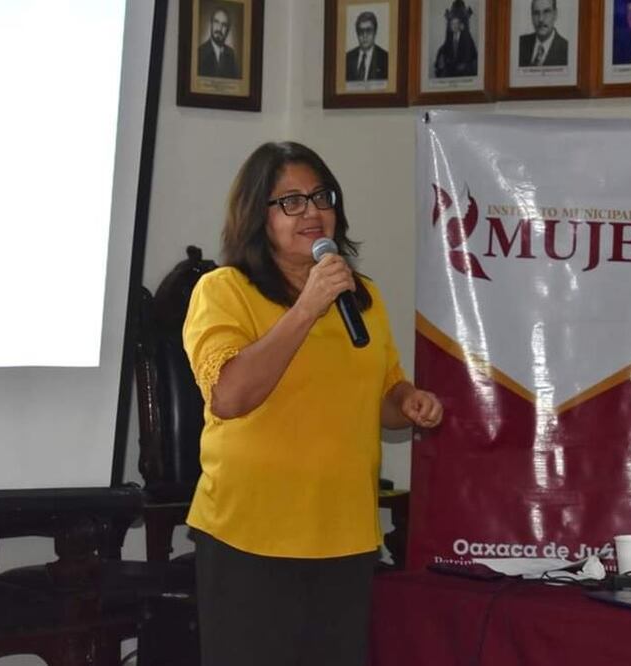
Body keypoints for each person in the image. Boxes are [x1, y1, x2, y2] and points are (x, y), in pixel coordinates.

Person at [183, 141, 443, 666]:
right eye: (291, 201)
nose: (312, 211)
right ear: (258, 215)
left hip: (343, 533)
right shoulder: (223, 290)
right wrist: (306, 308)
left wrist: (409, 401)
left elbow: (382, 395)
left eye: (321, 196)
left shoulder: (360, 296)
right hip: (250, 536)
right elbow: (230, 396)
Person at [434, 0, 478, 78]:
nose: (454, 26)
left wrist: (466, 66)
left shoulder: (468, 39)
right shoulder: (449, 38)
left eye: (456, 23)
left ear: (461, 24)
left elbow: (473, 57)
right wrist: (441, 60)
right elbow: (445, 51)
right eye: (452, 23)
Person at [518, 0, 569, 67]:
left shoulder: (566, 50)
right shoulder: (520, 43)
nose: (541, 19)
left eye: (546, 12)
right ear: (531, 16)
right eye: (536, 13)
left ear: (555, 14)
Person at [197, 5, 240, 78]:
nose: (219, 29)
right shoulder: (200, 52)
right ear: (211, 24)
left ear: (228, 30)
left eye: (224, 25)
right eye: (216, 22)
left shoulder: (231, 54)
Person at [345, 11, 389, 81]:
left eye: (368, 30)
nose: (364, 35)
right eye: (361, 31)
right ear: (357, 33)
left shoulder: (385, 59)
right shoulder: (347, 58)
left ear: (375, 32)